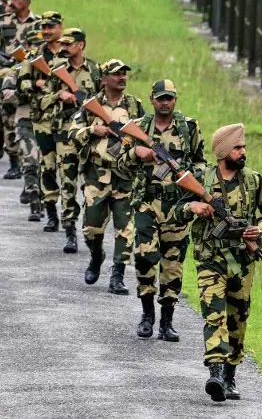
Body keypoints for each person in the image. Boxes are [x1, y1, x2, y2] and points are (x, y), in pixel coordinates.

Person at [171, 123, 262, 402]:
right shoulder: (200, 179)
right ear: (222, 151)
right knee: (213, 312)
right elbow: (175, 212)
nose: (243, 152)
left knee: (237, 319)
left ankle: (230, 374)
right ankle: (216, 372)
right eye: (237, 148)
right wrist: (191, 207)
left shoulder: (254, 180)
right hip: (210, 259)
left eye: (243, 147)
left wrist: (261, 228)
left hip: (242, 262)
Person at [121, 79, 204, 342]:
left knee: (173, 266)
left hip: (177, 206)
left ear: (175, 100)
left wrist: (188, 176)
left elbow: (202, 162)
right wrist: (137, 153)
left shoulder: (188, 127)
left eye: (170, 98)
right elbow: (121, 164)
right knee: (144, 257)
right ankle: (147, 315)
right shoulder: (139, 127)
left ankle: (166, 322)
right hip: (146, 202)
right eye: (161, 98)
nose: (165, 102)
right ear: (152, 99)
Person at [68, 59, 143, 293]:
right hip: (96, 175)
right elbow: (72, 134)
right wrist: (92, 130)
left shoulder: (134, 105)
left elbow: (146, 134)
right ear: (103, 79)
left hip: (125, 175)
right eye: (115, 74)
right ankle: (96, 255)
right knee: (92, 229)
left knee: (125, 229)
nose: (121, 78)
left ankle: (118, 275)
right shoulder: (91, 106)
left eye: (124, 74)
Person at [40, 29, 101, 253]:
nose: (64, 47)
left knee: (91, 185)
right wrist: (59, 96)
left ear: (81, 45)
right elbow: (42, 101)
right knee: (67, 182)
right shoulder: (57, 71)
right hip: (64, 135)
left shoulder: (96, 70)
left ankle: (90, 228)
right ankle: (69, 231)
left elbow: (104, 102)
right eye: (62, 44)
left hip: (88, 136)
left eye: (69, 44)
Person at [24, 11, 65, 230]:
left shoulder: (70, 53)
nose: (47, 31)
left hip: (68, 122)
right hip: (44, 120)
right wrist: (34, 85)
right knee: (47, 166)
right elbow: (22, 82)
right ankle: (51, 213)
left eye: (51, 27)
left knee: (69, 170)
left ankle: (70, 219)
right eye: (44, 28)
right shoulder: (35, 55)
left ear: (61, 27)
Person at [3, 25, 43, 215]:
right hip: (26, 118)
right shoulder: (18, 69)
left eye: (40, 45)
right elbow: (6, 94)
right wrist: (28, 90)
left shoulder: (56, 71)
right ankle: (35, 201)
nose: (36, 48)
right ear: (26, 46)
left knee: (46, 164)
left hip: (50, 122)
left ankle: (42, 196)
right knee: (29, 160)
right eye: (33, 44)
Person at [0, 0, 38, 181]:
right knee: (7, 118)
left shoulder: (39, 24)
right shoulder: (3, 22)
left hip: (31, 76)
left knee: (26, 120)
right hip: (7, 75)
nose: (12, 2)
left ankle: (29, 165)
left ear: (27, 1)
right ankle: (14, 161)